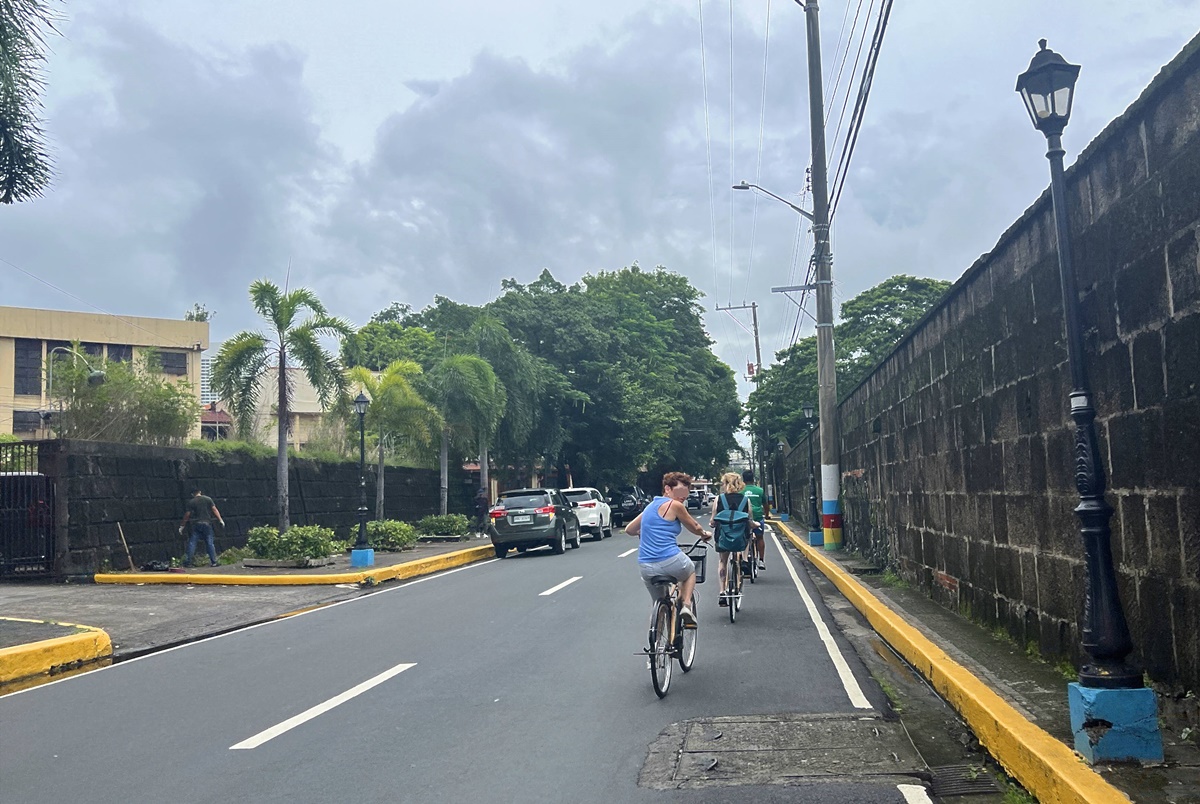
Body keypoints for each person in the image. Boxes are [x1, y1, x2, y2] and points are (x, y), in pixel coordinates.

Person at [624, 472, 712, 627]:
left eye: (686, 492)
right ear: (667, 489)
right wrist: (704, 534)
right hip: (670, 560)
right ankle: (686, 605)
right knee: (690, 570)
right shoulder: (675, 505)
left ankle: (657, 644)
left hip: (646, 566)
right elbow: (695, 526)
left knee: (658, 603)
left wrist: (644, 530)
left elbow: (629, 530)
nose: (683, 496)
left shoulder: (650, 507)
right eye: (680, 491)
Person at [710, 472, 753, 605]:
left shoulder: (719, 499)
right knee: (748, 534)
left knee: (723, 561)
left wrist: (714, 523)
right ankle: (744, 560)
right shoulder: (746, 500)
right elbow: (750, 520)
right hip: (740, 538)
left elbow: (713, 521)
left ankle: (722, 592)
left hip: (723, 537)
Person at [179, 488, 225, 568]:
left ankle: (187, 562)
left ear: (192, 494)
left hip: (197, 524)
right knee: (210, 543)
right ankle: (214, 562)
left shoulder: (191, 502)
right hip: (207, 523)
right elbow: (214, 510)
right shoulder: (208, 499)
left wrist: (182, 526)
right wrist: (220, 520)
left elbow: (187, 515)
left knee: (192, 543)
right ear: (200, 492)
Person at [741, 469, 767, 571]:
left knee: (744, 538)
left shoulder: (740, 491)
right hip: (757, 517)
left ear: (743, 480)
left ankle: (743, 559)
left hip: (744, 518)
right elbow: (765, 505)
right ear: (753, 479)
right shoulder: (760, 491)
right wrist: (767, 514)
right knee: (760, 538)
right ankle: (761, 560)